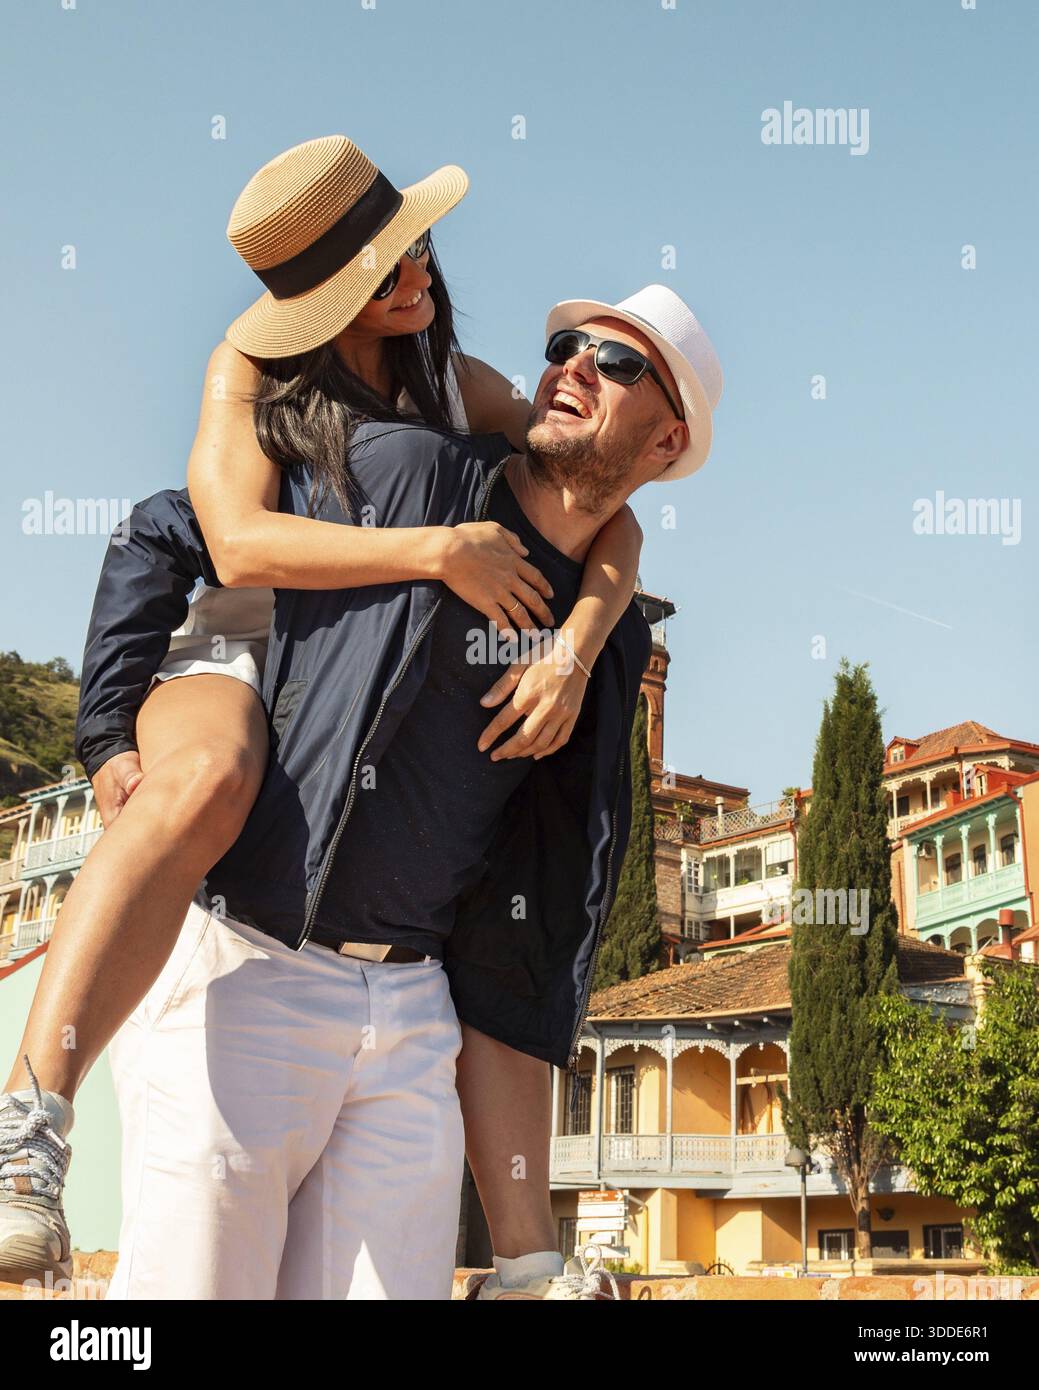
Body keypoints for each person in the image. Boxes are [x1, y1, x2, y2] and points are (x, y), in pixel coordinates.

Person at [0, 136, 643, 1297]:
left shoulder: (451, 379)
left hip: (364, 724)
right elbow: (231, 541)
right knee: (206, 782)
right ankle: (29, 1129)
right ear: (317, 291)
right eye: (385, 268)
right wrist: (438, 551)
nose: (420, 280)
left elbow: (596, 500)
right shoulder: (245, 372)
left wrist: (580, 641)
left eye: (418, 249)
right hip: (245, 633)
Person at [89, 279, 719, 1300]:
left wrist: (579, 637)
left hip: (413, 1008)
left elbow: (528, 940)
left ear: (664, 443)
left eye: (616, 363)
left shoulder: (607, 647)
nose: (572, 365)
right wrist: (107, 721)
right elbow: (188, 524)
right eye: (566, 345)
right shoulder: (421, 469)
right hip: (251, 962)